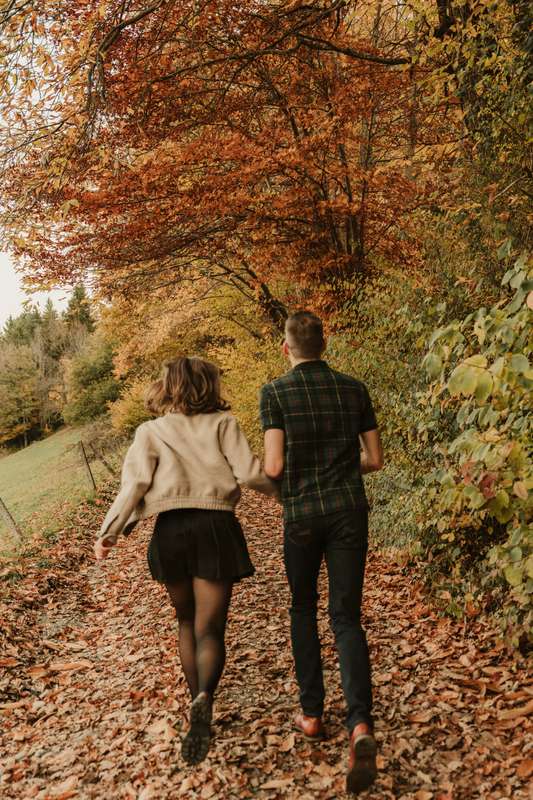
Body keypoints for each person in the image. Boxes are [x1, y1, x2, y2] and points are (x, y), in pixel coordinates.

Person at [94, 356, 278, 765]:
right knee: (210, 628)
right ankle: (206, 697)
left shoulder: (150, 431)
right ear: (209, 385)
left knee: (185, 621)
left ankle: (196, 701)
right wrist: (284, 495)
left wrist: (109, 533)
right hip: (215, 527)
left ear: (169, 387)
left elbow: (135, 484)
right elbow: (250, 474)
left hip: (171, 531)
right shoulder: (223, 423)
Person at [260, 311, 383, 795]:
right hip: (349, 510)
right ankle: (360, 723)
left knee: (302, 607)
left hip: (302, 516)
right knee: (347, 616)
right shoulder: (354, 389)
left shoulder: (275, 393)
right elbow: (375, 459)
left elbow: (273, 466)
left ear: (286, 348)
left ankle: (312, 714)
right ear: (324, 345)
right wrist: (342, 467)